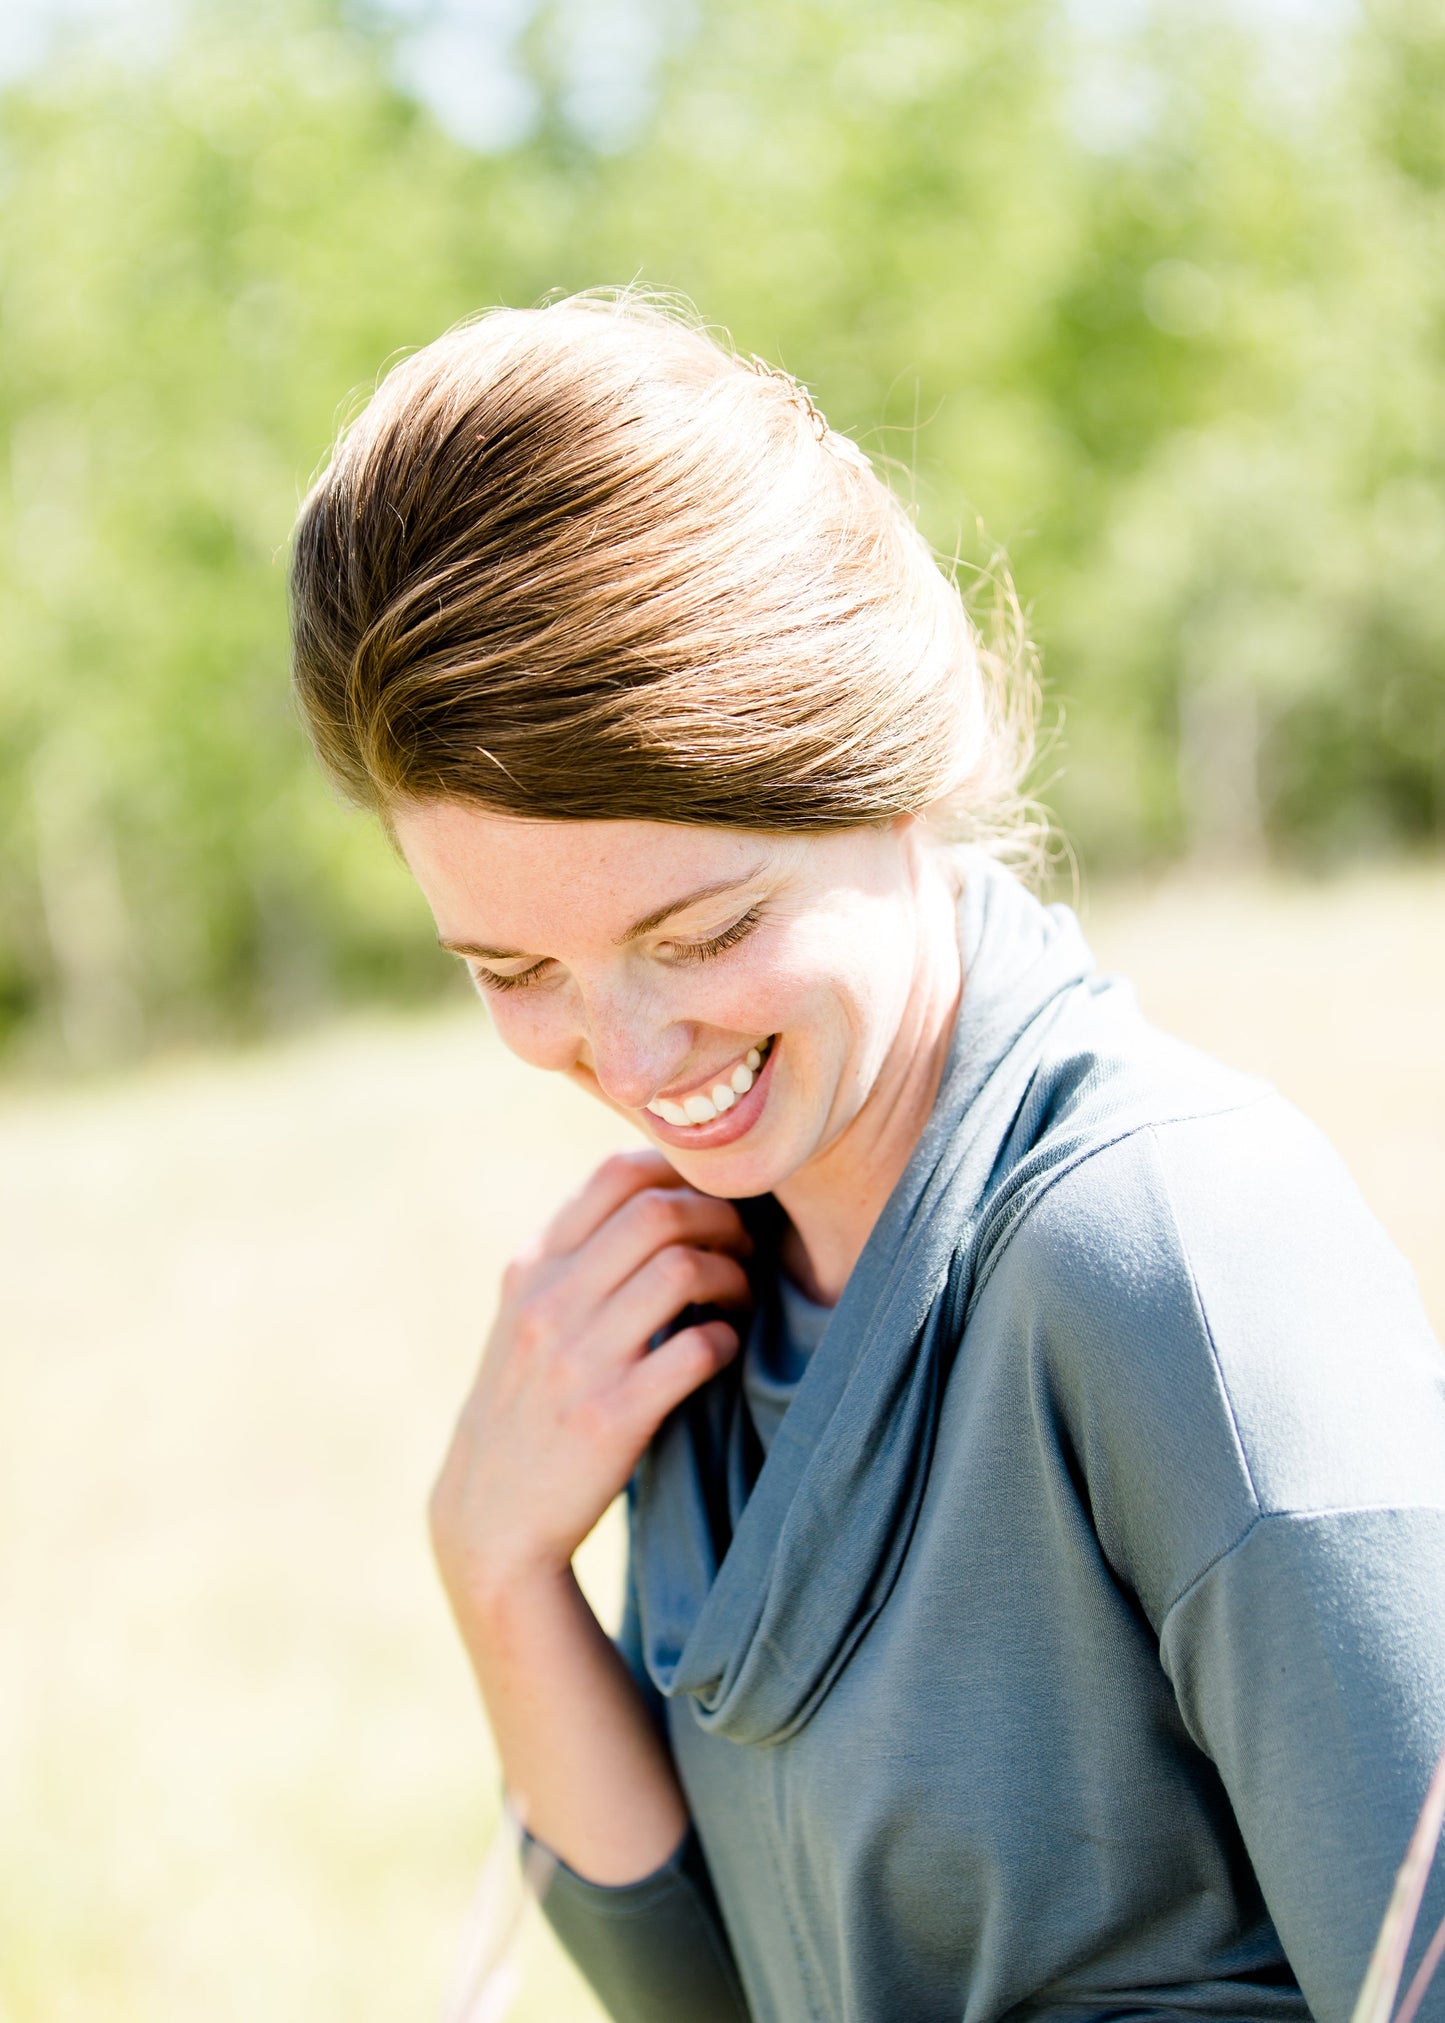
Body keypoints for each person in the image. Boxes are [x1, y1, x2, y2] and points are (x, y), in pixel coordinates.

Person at [288, 293, 1445, 2023]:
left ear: (895, 776)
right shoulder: (707, 1281)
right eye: (514, 973)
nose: (632, 1055)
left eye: (708, 927)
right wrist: (496, 1566)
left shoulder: (1175, 1251)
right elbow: (720, 1996)